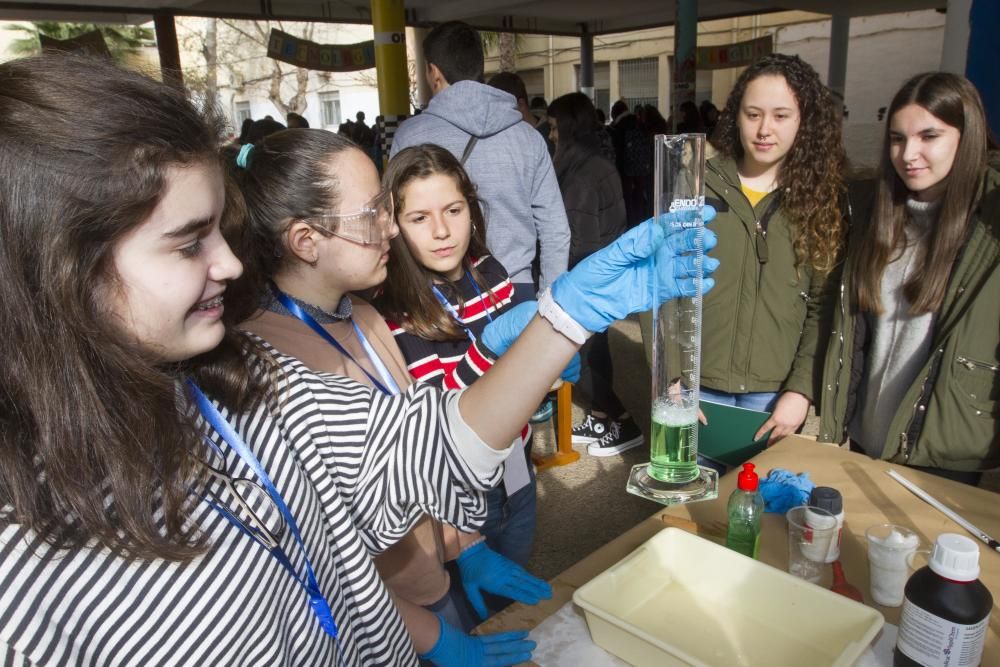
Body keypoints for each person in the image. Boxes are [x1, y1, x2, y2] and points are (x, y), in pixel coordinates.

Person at [0, 54, 715, 666]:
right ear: (60, 271)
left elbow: (425, 447)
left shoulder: (247, 386)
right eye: (189, 242)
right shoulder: (24, 571)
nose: (226, 261)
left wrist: (565, 317)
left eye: (219, 229)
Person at [225, 129, 551, 663]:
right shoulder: (268, 363)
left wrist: (465, 548)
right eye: (373, 212)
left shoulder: (366, 318)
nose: (391, 227)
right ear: (305, 240)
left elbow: (419, 454)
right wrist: (431, 634)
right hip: (375, 626)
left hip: (431, 582)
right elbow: (328, 558)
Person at [375, 145, 555, 597]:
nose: (441, 231)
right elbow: (440, 417)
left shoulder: (489, 270)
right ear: (394, 227)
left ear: (471, 210)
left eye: (453, 210)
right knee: (474, 608)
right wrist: (493, 353)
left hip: (518, 465)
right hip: (460, 499)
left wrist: (547, 361)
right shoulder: (393, 313)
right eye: (419, 218)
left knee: (512, 595)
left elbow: (526, 374)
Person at [818, 72, 999, 485]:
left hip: (942, 454)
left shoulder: (990, 223)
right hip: (866, 440)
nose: (908, 153)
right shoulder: (873, 211)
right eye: (898, 139)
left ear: (966, 136)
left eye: (929, 136)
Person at [699, 53, 847, 444]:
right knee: (692, 501)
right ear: (736, 116)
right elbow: (662, 286)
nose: (765, 129)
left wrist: (801, 390)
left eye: (781, 115)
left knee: (761, 501)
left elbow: (822, 305)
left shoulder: (822, 200)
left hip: (774, 394)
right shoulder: (696, 186)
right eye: (753, 114)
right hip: (696, 384)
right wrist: (669, 376)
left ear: (804, 121)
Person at [391, 21, 570, 304]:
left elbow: (395, 220)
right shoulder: (528, 137)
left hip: (439, 294)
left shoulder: (410, 136)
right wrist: (550, 301)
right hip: (517, 290)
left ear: (433, 71)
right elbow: (555, 228)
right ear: (479, 65)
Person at [545, 93, 640, 456]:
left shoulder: (581, 175)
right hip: (606, 272)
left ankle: (623, 419)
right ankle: (602, 415)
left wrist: (566, 287)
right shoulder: (597, 162)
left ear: (569, 128)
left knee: (580, 358)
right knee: (597, 351)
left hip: (587, 279)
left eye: (554, 128)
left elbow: (579, 241)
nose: (551, 136)